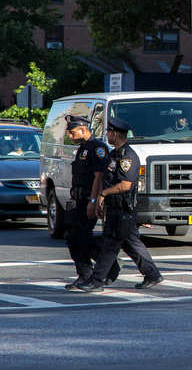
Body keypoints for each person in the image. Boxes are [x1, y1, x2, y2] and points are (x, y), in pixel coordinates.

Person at [77, 117, 163, 292]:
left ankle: (98, 281)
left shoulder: (127, 157)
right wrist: (102, 200)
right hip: (114, 208)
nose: (107, 134)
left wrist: (102, 194)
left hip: (123, 209)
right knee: (131, 243)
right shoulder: (114, 154)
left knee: (110, 245)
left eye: (109, 132)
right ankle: (152, 274)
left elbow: (125, 185)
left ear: (116, 134)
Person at [63, 115, 119, 290]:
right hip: (78, 200)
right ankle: (87, 273)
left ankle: (99, 269)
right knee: (74, 237)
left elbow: (99, 177)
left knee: (79, 237)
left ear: (83, 129)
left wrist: (94, 201)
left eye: (72, 133)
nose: (70, 136)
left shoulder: (97, 148)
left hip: (89, 199)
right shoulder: (83, 148)